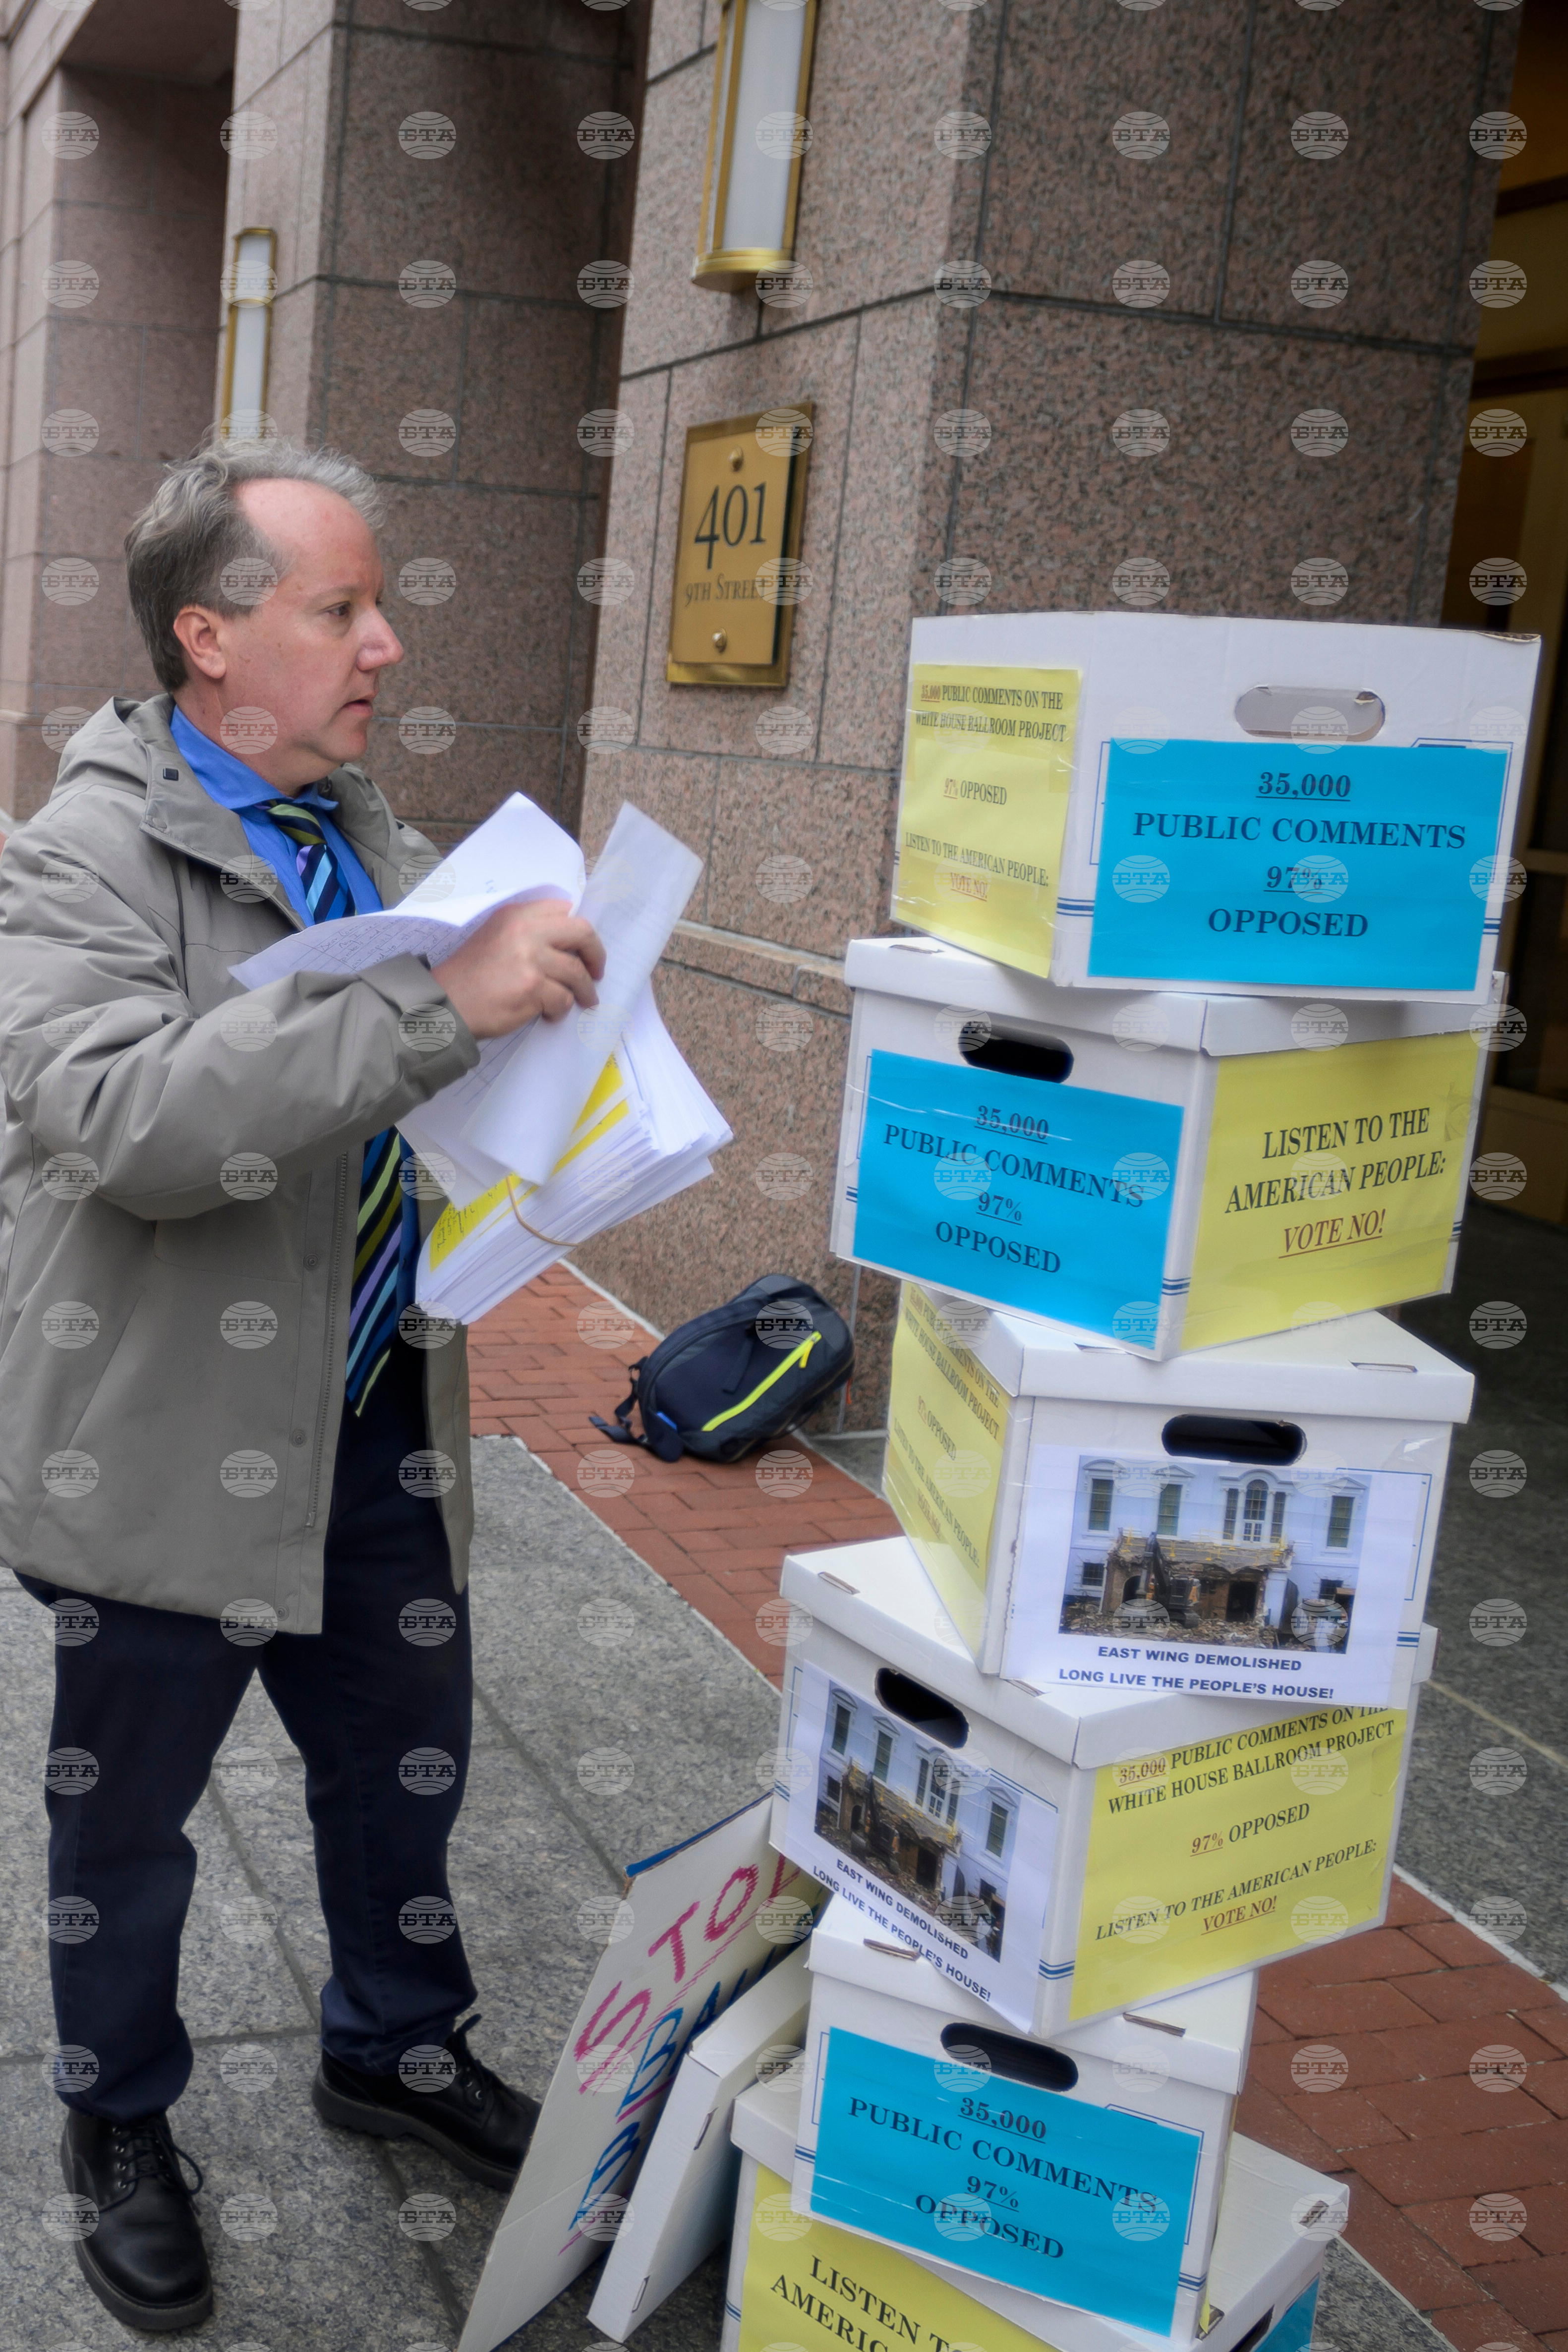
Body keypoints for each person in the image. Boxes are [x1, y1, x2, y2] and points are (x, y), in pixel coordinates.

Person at [0, 436, 606, 2334]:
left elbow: (386, 1088)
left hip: (370, 1417)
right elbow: (131, 1121)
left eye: (374, 604)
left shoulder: (361, 827)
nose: (385, 643)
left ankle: (396, 2050)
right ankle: (118, 2119)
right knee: (132, 1822)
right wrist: (445, 1010)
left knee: (398, 1776)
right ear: (207, 636)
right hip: (162, 1437)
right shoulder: (76, 852)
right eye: (340, 607)